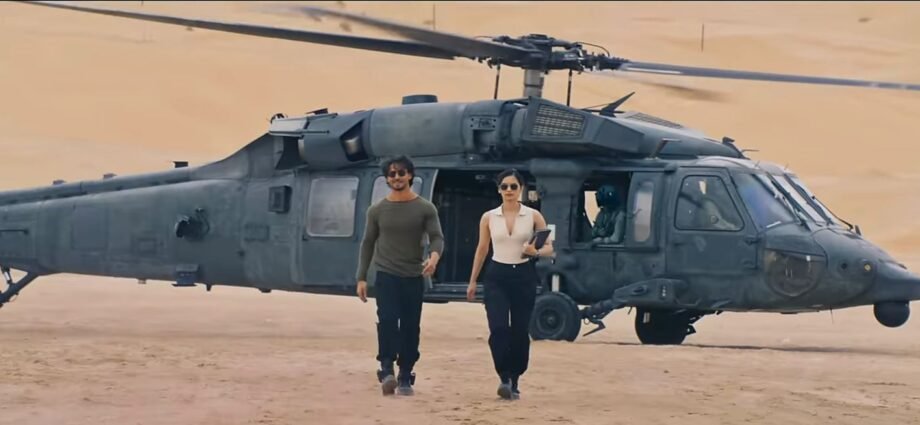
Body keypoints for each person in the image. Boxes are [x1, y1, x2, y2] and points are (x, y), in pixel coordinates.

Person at [355, 156, 445, 397]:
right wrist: (361, 277)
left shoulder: (425, 208)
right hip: (386, 275)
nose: (396, 177)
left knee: (410, 326)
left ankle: (405, 372)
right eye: (392, 174)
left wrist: (434, 258)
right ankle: (386, 369)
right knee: (386, 320)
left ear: (410, 176)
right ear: (387, 179)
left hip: (413, 275)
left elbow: (437, 237)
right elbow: (368, 242)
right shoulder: (377, 210)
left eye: (401, 173)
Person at [465, 169, 554, 400]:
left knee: (520, 330)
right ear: (498, 190)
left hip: (523, 275)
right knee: (498, 327)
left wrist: (535, 251)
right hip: (497, 275)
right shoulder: (489, 217)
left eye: (513, 186)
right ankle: (503, 375)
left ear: (521, 189)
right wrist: (473, 280)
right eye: (504, 186)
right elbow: (482, 249)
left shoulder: (533, 215)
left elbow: (549, 248)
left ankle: (515, 376)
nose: (509, 190)